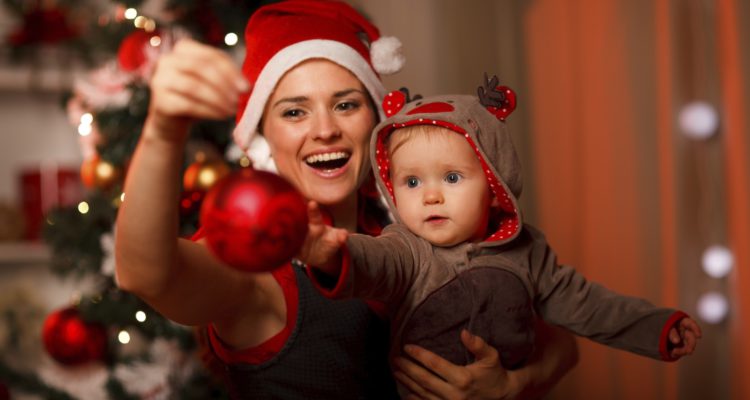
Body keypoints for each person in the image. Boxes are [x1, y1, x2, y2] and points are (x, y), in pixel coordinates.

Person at [115, 1, 578, 399]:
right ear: (262, 135)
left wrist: (512, 387)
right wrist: (162, 130)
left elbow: (560, 343)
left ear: (376, 121)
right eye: (294, 111)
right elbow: (146, 272)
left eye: (345, 104)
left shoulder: (427, 219)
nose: (324, 130)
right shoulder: (258, 272)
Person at [301, 75, 702, 378]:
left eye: (452, 178)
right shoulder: (406, 249)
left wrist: (657, 327)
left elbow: (587, 305)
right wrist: (331, 254)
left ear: (494, 187)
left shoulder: (528, 252)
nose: (431, 197)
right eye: (412, 182)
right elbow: (373, 262)